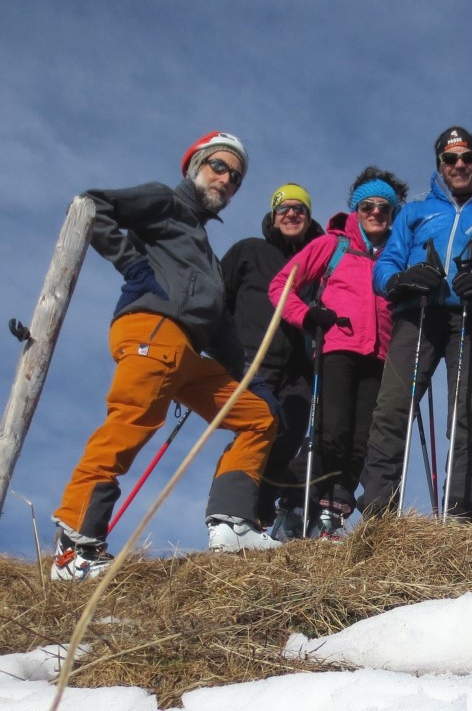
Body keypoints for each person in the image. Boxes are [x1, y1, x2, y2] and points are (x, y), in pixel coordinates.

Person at [51, 131, 284, 581]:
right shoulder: (166, 203)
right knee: (130, 423)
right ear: (195, 164)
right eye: (219, 166)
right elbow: (90, 205)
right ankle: (74, 545)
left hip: (187, 352)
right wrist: (135, 268)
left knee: (259, 417)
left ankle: (232, 523)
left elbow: (221, 332)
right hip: (154, 329)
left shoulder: (204, 256)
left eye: (235, 178)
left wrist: (251, 382)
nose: (226, 180)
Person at [362, 126, 472, 520]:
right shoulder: (416, 212)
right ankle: (378, 513)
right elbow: (387, 261)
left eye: (467, 158)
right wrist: (399, 280)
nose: (459, 165)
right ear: (439, 164)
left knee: (468, 412)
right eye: (450, 159)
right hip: (416, 314)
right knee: (391, 408)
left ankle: (460, 512)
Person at [268, 167, 403, 537]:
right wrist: (306, 315)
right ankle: (294, 507)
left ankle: (333, 513)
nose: (375, 212)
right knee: (332, 433)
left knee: (364, 440)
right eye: (367, 206)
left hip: (381, 356)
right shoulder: (333, 245)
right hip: (338, 347)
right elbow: (281, 285)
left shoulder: (398, 254)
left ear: (393, 213)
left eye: (384, 208)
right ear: (356, 209)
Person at [221, 183, 325, 529]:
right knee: (256, 430)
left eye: (300, 209)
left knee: (288, 438)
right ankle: (228, 514)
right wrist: (224, 345)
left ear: (309, 218)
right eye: (284, 209)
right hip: (254, 358)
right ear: (273, 216)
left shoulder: (318, 265)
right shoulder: (250, 251)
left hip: (299, 366)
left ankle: (259, 521)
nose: (292, 214)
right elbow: (220, 297)